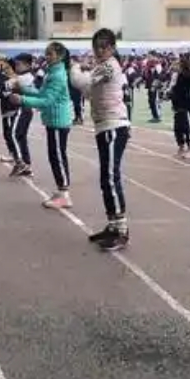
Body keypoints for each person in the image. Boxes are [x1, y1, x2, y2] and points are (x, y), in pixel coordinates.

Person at [70, 29, 131, 251]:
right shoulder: (102, 67)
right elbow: (89, 92)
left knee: (110, 177)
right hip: (105, 126)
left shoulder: (109, 66)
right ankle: (113, 225)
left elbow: (81, 83)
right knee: (107, 177)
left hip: (114, 125)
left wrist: (75, 66)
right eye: (96, 46)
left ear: (112, 48)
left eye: (104, 46)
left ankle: (121, 230)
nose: (99, 50)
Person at [9, 41, 74, 209]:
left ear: (60, 56)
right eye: (46, 53)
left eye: (50, 54)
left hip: (59, 121)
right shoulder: (52, 72)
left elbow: (47, 100)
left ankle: (64, 194)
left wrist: (22, 99)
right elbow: (41, 93)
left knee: (57, 156)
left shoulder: (57, 75)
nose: (47, 57)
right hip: (53, 120)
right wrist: (24, 89)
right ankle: (61, 191)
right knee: (54, 156)